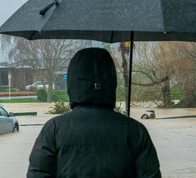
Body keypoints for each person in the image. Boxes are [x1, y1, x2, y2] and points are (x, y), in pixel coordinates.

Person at [27, 48, 161, 178]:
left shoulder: (53, 129)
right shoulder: (136, 131)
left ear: (72, 83)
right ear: (111, 82)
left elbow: (38, 174)